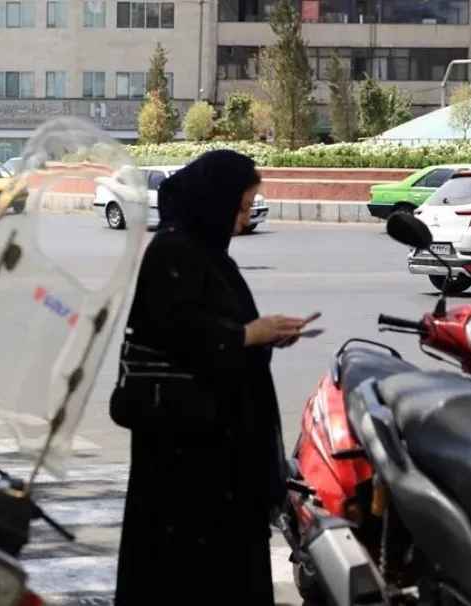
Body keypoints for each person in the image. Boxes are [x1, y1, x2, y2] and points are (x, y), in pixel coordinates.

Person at [112, 150, 318, 605]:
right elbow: (174, 329)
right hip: (184, 454)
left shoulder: (207, 254)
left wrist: (265, 336)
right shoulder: (170, 250)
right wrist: (247, 333)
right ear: (214, 200)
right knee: (185, 576)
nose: (243, 220)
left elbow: (220, 333)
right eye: (240, 207)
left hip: (220, 451)